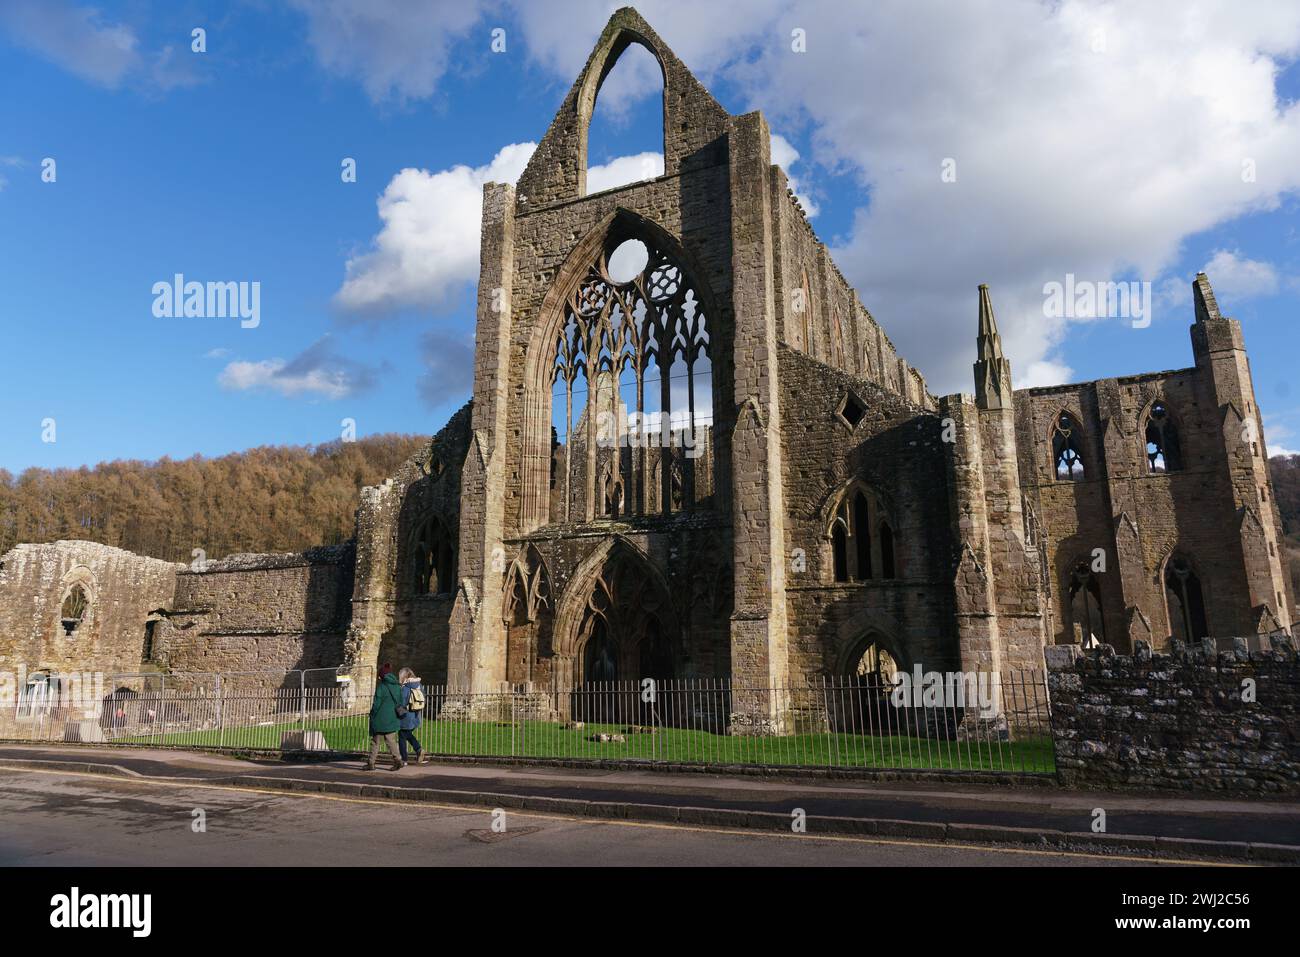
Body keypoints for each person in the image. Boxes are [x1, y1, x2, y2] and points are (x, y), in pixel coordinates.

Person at [364, 663, 403, 771]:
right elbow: (401, 702)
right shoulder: (397, 687)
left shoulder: (381, 687)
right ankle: (398, 760)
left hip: (380, 719)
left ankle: (371, 763)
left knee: (375, 741)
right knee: (391, 741)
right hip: (393, 718)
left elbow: (376, 705)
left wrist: (372, 714)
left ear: (383, 676)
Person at [397, 667, 427, 766]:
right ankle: (418, 750)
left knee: (402, 736)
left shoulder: (406, 687)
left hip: (406, 716)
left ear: (403, 676)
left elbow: (402, 702)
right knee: (408, 735)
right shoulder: (419, 685)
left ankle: (404, 759)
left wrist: (397, 712)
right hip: (416, 715)